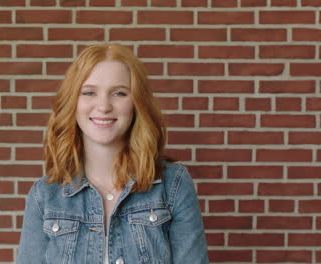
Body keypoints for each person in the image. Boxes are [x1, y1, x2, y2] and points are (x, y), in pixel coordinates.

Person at [16, 43, 209, 264]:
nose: (104, 105)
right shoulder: (45, 195)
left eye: (119, 93)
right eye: (89, 92)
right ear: (73, 102)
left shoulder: (173, 185)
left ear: (137, 103)